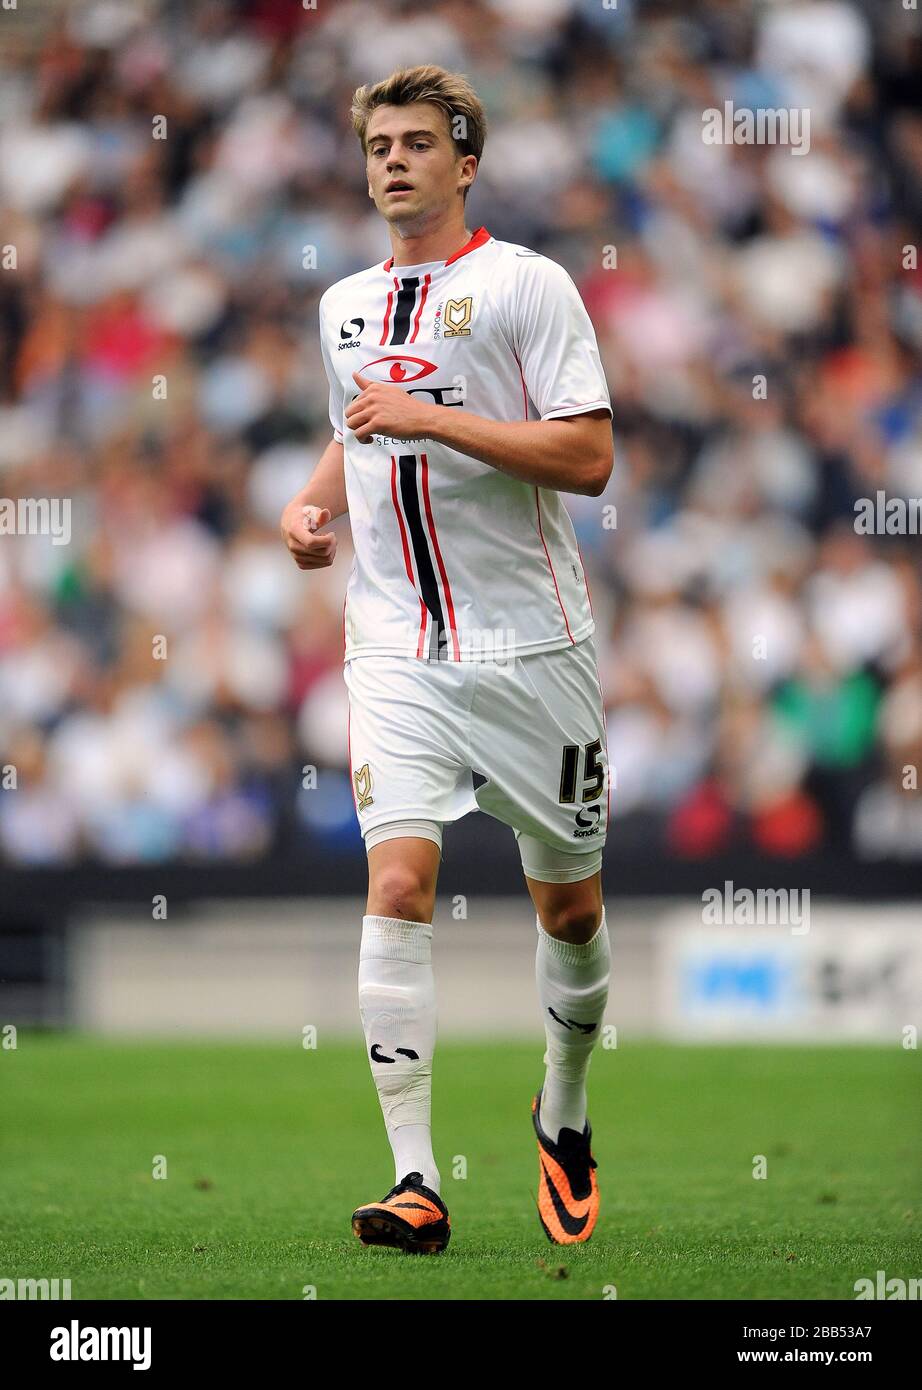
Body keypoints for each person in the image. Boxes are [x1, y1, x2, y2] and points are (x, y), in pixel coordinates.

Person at [281, 64, 613, 1253]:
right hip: (397, 650)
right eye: (379, 144)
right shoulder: (344, 309)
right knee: (397, 886)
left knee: (568, 910)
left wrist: (436, 420)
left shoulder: (529, 286)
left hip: (536, 651)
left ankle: (562, 1104)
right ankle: (416, 1178)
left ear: (464, 163)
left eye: (418, 142)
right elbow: (352, 431)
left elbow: (586, 460)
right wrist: (311, 508)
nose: (394, 161)